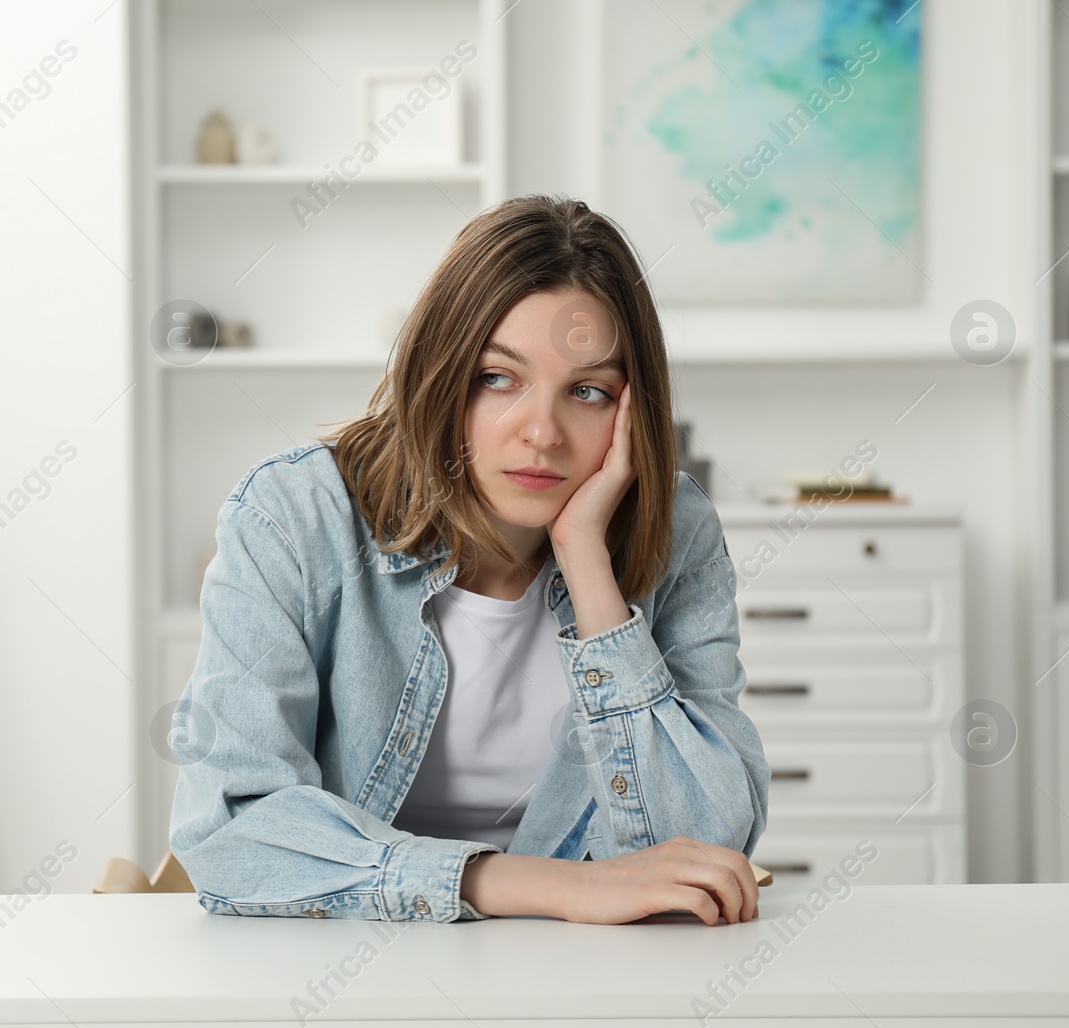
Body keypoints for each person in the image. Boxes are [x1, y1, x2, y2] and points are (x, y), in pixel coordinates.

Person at [168, 194, 768, 926]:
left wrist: (587, 562)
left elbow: (700, 850)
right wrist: (545, 885)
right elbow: (235, 830)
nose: (541, 432)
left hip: (579, 979)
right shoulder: (292, 518)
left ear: (632, 410)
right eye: (498, 378)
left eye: (587, 391)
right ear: (440, 372)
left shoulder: (678, 529)